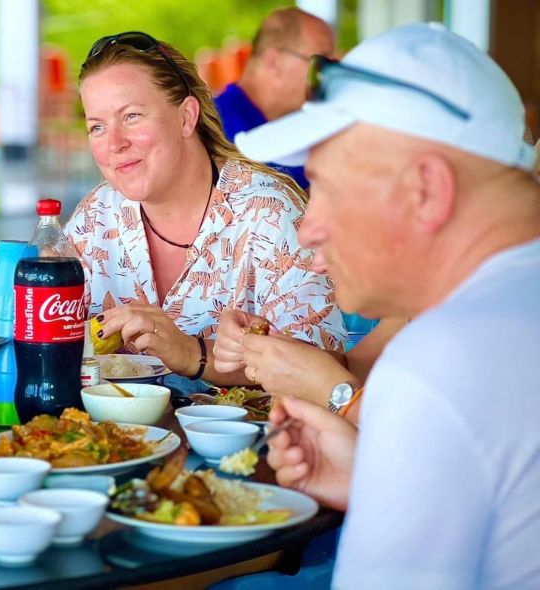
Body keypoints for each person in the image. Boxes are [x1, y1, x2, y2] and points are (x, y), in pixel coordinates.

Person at [235, 23, 540, 587]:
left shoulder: (440, 361)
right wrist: (383, 478)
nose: (308, 229)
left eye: (325, 186)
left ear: (426, 190)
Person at [65, 31, 346, 387]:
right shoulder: (94, 218)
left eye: (132, 116)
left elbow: (329, 368)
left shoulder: (268, 212)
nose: (114, 144)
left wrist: (194, 353)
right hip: (108, 439)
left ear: (186, 118)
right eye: (97, 127)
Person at [213, 8, 335, 190]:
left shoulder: (305, 126)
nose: (328, 75)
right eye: (321, 62)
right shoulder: (212, 131)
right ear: (273, 62)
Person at [214, 311, 405, 423]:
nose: (317, 264)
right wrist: (278, 351)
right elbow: (354, 368)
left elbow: (424, 444)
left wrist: (335, 394)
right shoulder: (410, 316)